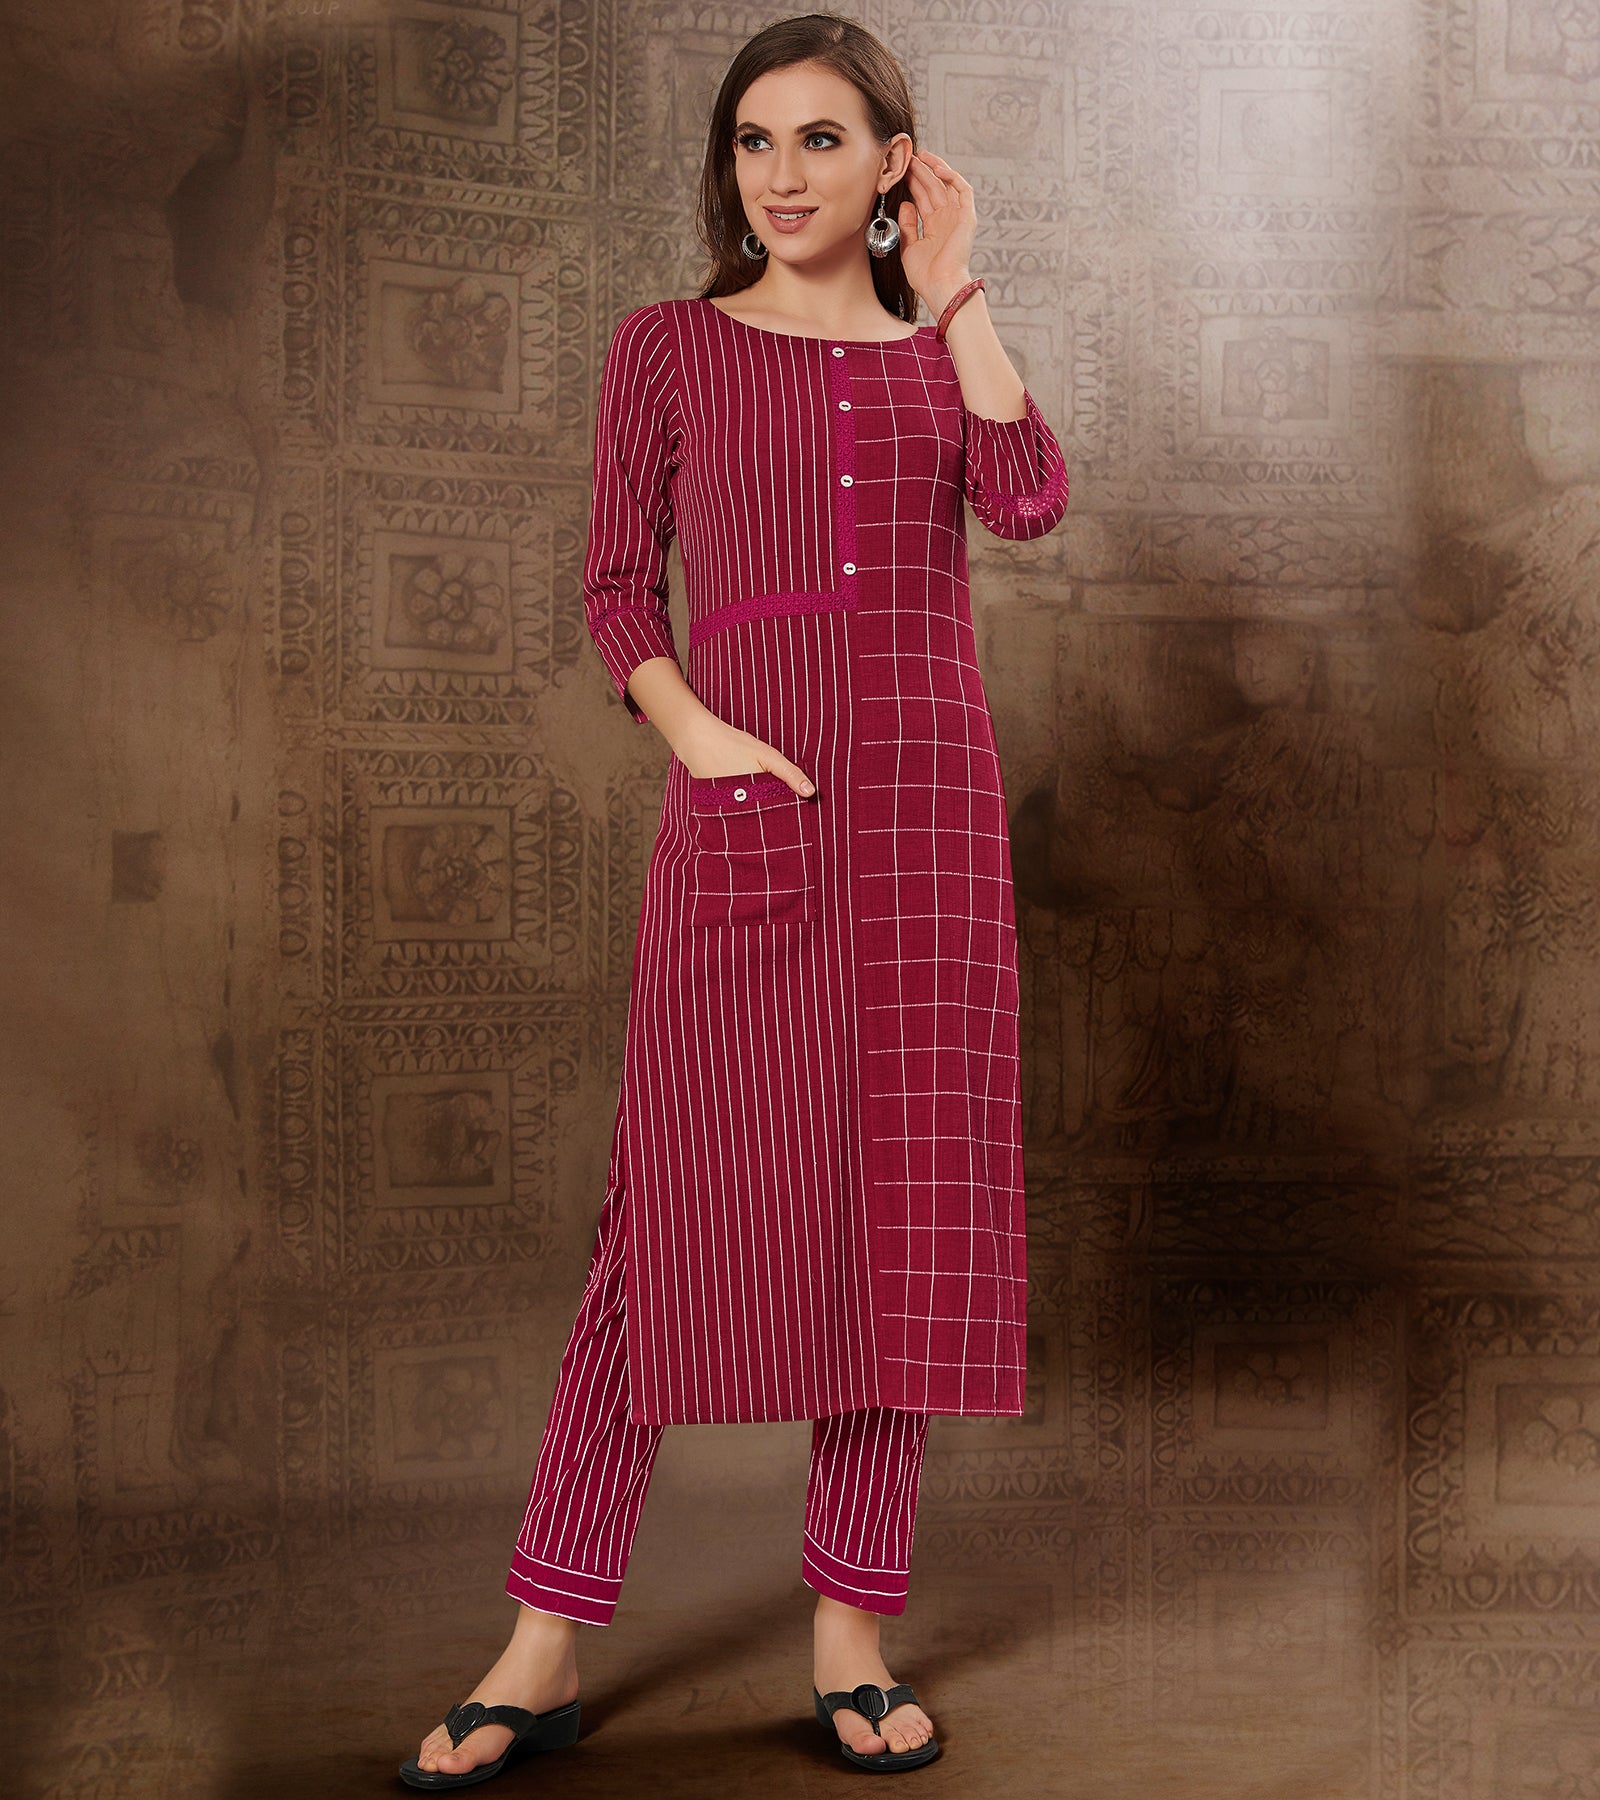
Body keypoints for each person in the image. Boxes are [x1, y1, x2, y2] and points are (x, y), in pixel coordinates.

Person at [400, 11, 1068, 1788]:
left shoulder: (938, 359)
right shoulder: (669, 349)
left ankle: (853, 1640)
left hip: (926, 836)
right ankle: (542, 1644)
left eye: (822, 140)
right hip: (752, 821)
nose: (781, 175)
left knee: (902, 1225)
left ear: (893, 164)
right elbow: (618, 589)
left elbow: (1029, 499)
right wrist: (703, 743)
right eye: (754, 142)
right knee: (659, 1223)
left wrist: (959, 288)